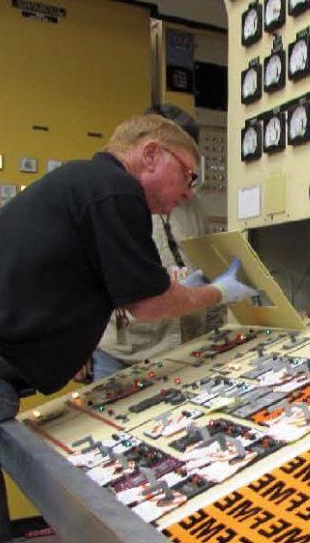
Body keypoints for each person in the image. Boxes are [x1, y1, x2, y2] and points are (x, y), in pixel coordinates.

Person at [0, 114, 257, 543]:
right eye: (187, 174)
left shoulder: (84, 184)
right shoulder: (117, 192)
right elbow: (147, 304)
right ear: (150, 154)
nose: (188, 192)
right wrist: (219, 294)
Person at [88, 103, 217, 382]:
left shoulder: (195, 208)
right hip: (123, 351)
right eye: (181, 168)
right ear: (152, 152)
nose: (186, 183)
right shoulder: (112, 199)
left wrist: (217, 328)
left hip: (184, 347)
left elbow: (209, 269)